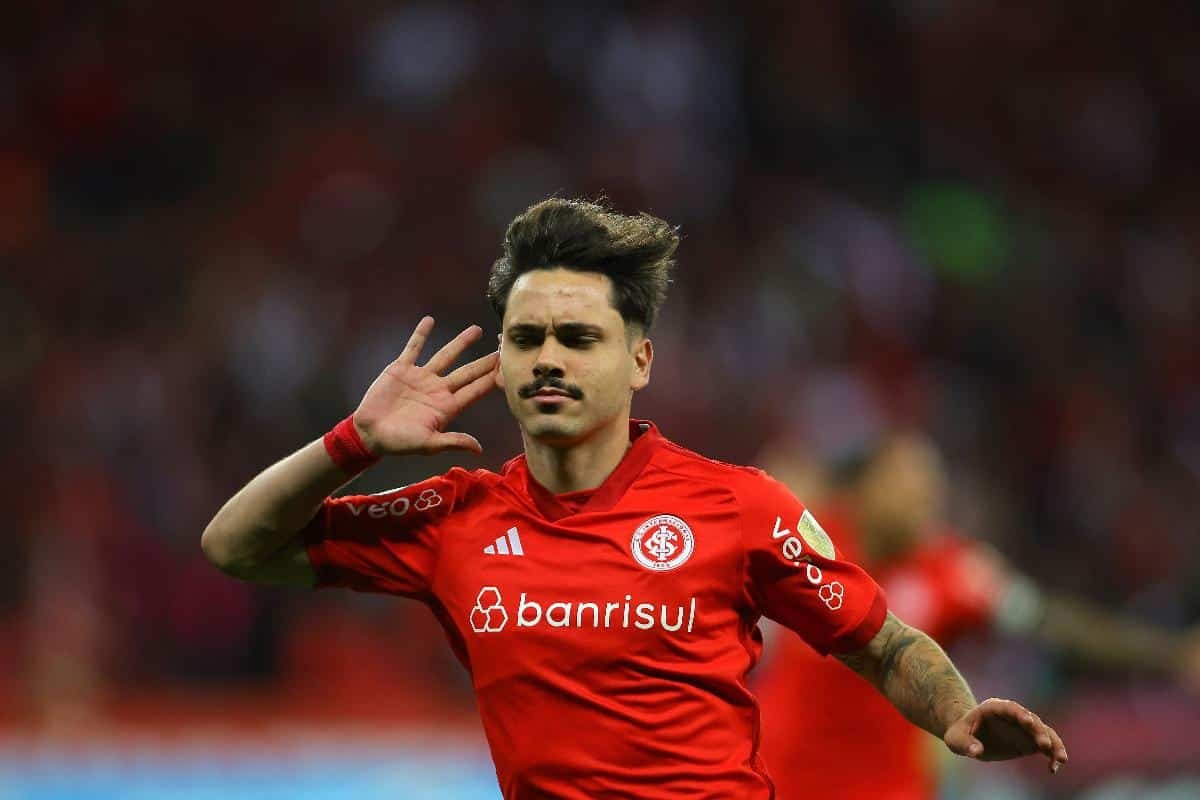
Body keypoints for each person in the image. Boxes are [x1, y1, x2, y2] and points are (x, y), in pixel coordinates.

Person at [201, 198, 1068, 799]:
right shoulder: (453, 518)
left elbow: (884, 645)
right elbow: (234, 546)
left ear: (640, 360)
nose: (549, 359)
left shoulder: (741, 507)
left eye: (579, 337)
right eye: (526, 338)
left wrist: (957, 713)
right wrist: (352, 445)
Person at [753, 430, 1199, 799]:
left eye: (931, 489)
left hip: (886, 789)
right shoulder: (808, 539)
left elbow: (1049, 621)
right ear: (865, 490)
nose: (924, 501)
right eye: (907, 485)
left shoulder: (952, 573)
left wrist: (1171, 654)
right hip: (779, 780)